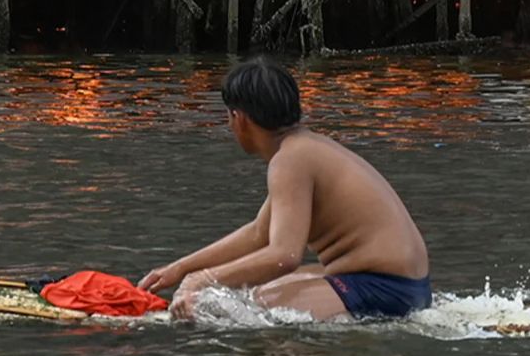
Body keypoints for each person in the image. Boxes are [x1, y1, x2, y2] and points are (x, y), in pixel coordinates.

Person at [138, 58, 431, 321]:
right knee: (256, 289)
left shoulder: (289, 160)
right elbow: (259, 233)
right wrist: (179, 269)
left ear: (239, 118)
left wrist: (201, 281)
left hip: (388, 289)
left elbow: (284, 256)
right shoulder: (303, 148)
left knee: (260, 303)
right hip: (405, 286)